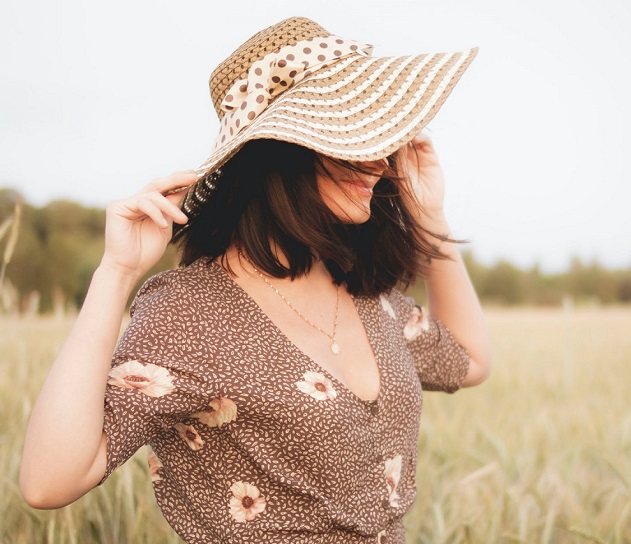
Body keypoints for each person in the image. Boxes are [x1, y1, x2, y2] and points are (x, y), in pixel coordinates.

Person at [20, 16, 491, 544]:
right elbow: (47, 482)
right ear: (279, 154)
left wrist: (430, 219)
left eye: (382, 139)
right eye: (352, 136)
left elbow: (469, 360)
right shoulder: (193, 311)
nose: (381, 162)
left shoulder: (362, 293)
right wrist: (116, 274)